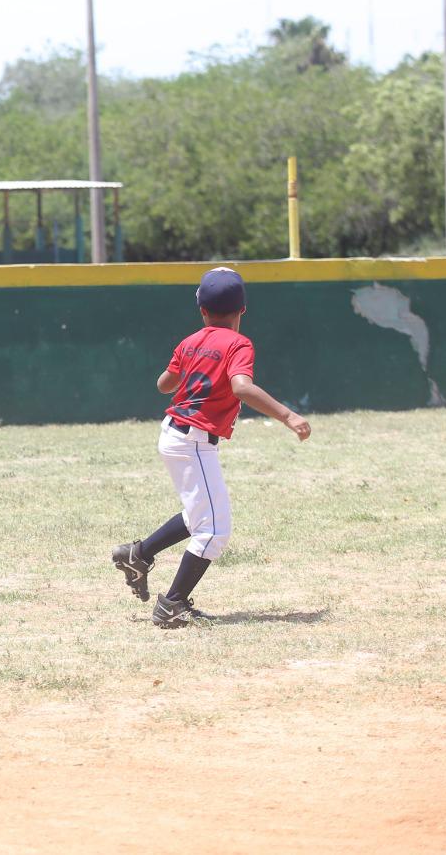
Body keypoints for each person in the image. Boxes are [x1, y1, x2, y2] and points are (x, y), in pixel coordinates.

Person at [111, 267, 311, 627]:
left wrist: (191, 362)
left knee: (198, 514)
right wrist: (288, 415)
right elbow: (242, 387)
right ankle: (172, 604)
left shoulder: (190, 341)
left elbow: (163, 384)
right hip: (193, 442)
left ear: (201, 310)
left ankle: (137, 554)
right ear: (243, 311)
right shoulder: (238, 343)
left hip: (174, 435)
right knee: (214, 530)